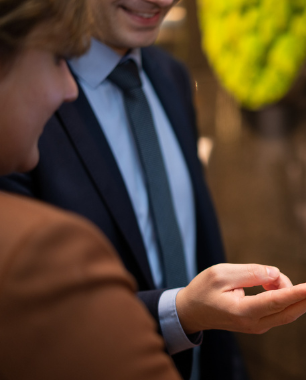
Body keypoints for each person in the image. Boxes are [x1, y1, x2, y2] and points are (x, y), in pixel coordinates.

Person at [0, 0, 284, 378]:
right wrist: (180, 312)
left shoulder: (172, 76)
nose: (164, 1)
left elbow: (196, 239)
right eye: (55, 61)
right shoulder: (20, 111)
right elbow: (31, 313)